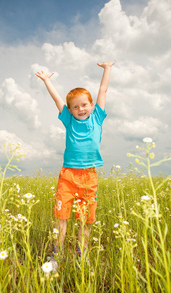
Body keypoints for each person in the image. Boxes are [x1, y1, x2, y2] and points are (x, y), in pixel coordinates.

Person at [35, 61, 114, 267]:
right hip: (68, 176)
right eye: (75, 106)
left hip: (89, 176)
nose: (80, 109)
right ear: (69, 110)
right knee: (61, 217)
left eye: (84, 104)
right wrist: (47, 81)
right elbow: (57, 99)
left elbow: (103, 90)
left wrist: (107, 69)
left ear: (92, 106)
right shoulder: (69, 120)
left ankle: (82, 256)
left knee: (85, 219)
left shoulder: (97, 118)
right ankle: (57, 255)